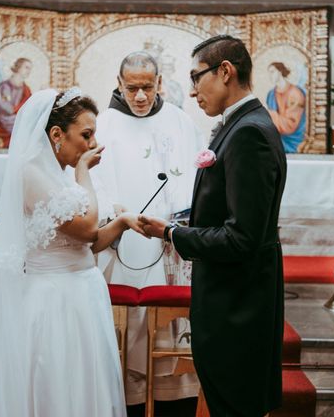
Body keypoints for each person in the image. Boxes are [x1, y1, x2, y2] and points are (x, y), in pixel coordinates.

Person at [0, 87, 142, 417]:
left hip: (83, 295)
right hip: (53, 301)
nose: (92, 144)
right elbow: (87, 227)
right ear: (56, 134)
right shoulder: (31, 173)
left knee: (83, 390)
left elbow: (88, 244)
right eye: (86, 135)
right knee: (55, 391)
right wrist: (83, 174)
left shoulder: (60, 172)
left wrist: (121, 222)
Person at [140, 35, 287, 417]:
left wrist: (172, 234)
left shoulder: (248, 133)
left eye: (196, 78)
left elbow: (242, 238)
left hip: (236, 308)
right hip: (236, 300)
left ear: (225, 72)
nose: (191, 92)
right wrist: (188, 220)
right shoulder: (241, 125)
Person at [92, 51, 204, 405]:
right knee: (122, 319)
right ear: (118, 84)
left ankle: (168, 394)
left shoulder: (180, 121)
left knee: (162, 319)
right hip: (120, 238)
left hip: (166, 239)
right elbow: (91, 179)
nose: (140, 96)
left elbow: (195, 175)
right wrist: (113, 212)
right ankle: (123, 393)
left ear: (159, 83)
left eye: (147, 87)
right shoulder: (104, 124)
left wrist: (180, 219)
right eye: (131, 88)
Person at [266, 61, 306, 153]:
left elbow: (290, 125)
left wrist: (269, 114)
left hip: (293, 141)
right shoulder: (271, 94)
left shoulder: (295, 93)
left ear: (280, 72)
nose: (270, 76)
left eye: (272, 72)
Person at [0, 57, 33, 147]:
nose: (29, 71)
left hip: (18, 119)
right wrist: (19, 110)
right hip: (5, 120)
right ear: (18, 67)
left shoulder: (26, 89)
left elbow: (30, 107)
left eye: (30, 69)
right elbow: (6, 108)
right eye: (26, 67)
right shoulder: (5, 86)